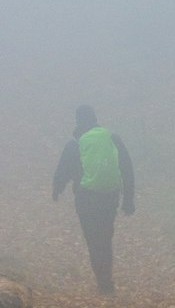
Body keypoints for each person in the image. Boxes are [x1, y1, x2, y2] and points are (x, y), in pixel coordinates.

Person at [52, 104, 134, 295]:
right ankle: (107, 281)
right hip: (109, 197)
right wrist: (128, 199)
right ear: (95, 119)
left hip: (85, 199)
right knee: (105, 238)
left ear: (78, 120)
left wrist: (57, 188)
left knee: (93, 240)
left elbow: (63, 169)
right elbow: (126, 168)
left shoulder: (75, 143)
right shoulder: (112, 139)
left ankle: (102, 281)